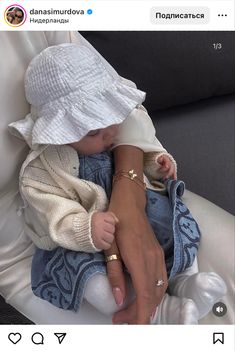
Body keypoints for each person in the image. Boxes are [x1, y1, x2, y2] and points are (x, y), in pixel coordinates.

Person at [9, 43, 226, 324]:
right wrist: (85, 227)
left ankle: (186, 282)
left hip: (141, 212)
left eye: (111, 118)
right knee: (99, 289)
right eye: (95, 130)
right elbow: (49, 212)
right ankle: (162, 311)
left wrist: (157, 163)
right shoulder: (43, 169)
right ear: (59, 134)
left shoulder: (113, 135)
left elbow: (141, 150)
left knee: (177, 228)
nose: (110, 132)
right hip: (87, 244)